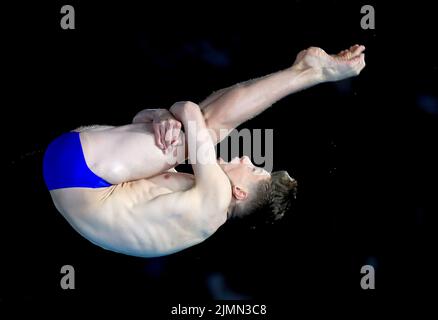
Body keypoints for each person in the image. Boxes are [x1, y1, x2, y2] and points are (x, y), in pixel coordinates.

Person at [43, 45, 366, 257]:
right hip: (77, 168)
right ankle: (307, 72)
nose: (245, 158)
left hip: (82, 170)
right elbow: (159, 121)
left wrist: (173, 112)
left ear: (240, 192)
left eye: (254, 169)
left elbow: (191, 111)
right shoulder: (202, 212)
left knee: (209, 128)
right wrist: (161, 116)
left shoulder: (215, 202)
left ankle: (311, 72)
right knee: (196, 133)